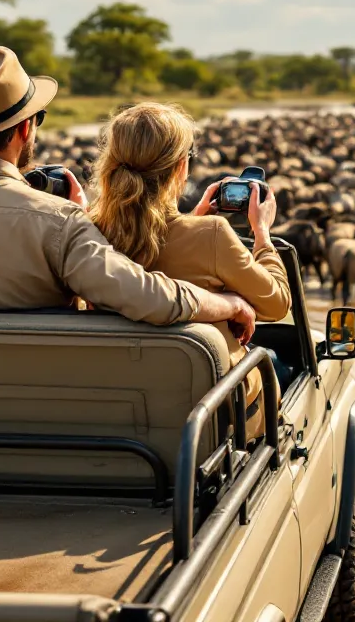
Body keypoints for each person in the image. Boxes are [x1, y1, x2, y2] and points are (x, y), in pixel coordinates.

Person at [0, 46, 255, 333]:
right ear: (25, 128)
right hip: (34, 418)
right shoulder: (58, 222)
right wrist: (229, 304)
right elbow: (149, 298)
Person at [89, 102, 291, 437]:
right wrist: (262, 235)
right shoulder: (212, 235)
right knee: (275, 362)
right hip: (210, 416)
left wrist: (192, 220)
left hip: (121, 398)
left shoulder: (88, 233)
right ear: (182, 167)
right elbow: (277, 304)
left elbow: (150, 244)